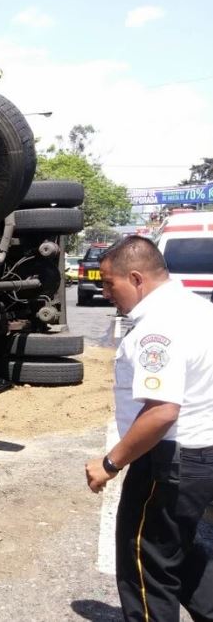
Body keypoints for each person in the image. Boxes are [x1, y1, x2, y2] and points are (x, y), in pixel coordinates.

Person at [85, 235, 213, 621]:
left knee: (144, 568)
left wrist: (110, 463)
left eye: (109, 283)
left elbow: (161, 412)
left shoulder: (158, 328)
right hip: (199, 454)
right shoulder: (197, 308)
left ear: (137, 278)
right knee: (181, 553)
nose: (105, 292)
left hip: (167, 463)